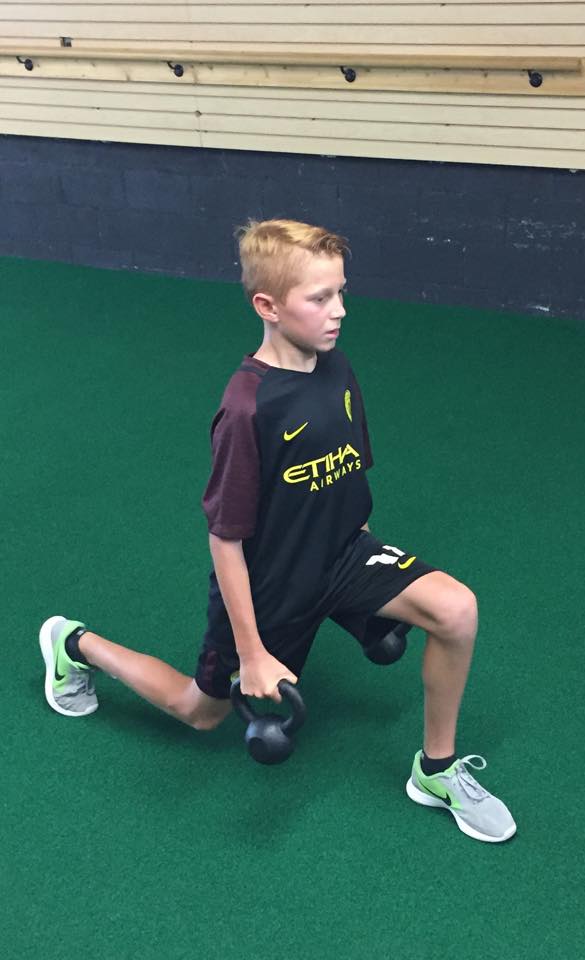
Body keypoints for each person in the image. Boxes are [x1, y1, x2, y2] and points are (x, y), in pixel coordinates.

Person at [39, 218, 516, 843]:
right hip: (269, 589)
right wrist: (253, 653)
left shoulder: (337, 369)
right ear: (267, 306)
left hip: (342, 555)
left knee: (456, 610)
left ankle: (436, 770)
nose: (339, 310)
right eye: (320, 298)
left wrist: (362, 588)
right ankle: (74, 645)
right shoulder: (247, 408)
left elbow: (347, 476)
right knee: (200, 712)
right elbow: (225, 539)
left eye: (341, 292)